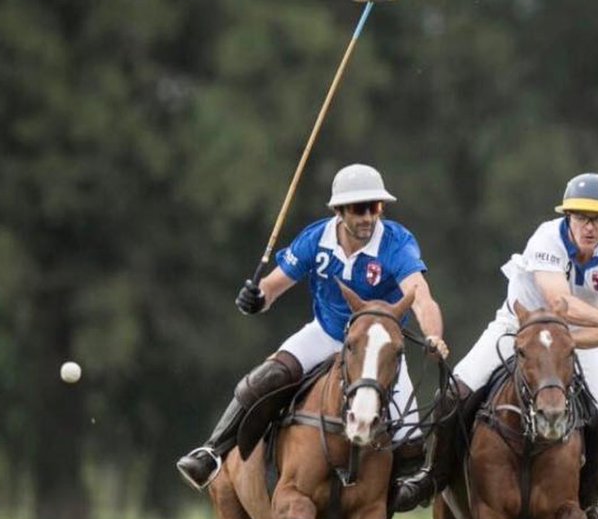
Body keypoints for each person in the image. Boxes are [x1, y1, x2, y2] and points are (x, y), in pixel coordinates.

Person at [391, 172, 598, 519]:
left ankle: (589, 508)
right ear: (568, 217)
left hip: (576, 341)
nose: (589, 226)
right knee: (453, 396)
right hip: (517, 329)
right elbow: (559, 301)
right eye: (581, 217)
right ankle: (432, 477)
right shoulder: (546, 238)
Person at [176, 163, 448, 491]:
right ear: (338, 210)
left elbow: (420, 297)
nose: (367, 217)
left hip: (377, 348)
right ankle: (212, 452)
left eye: (374, 207)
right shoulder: (316, 239)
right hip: (328, 333)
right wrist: (256, 298)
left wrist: (433, 335)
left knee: (410, 442)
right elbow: (273, 287)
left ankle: (387, 501)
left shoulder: (395, 243)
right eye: (358, 209)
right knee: (267, 378)